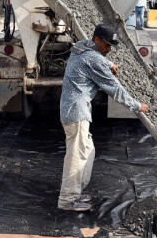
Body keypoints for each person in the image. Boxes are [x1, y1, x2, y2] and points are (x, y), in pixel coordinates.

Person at [58, 24, 150, 212]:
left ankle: (75, 192)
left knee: (88, 151)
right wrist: (137, 106)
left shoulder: (82, 47)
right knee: (76, 156)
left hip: (73, 109)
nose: (109, 50)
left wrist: (109, 64)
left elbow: (86, 50)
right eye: (106, 45)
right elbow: (115, 90)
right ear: (97, 40)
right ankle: (67, 200)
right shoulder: (94, 60)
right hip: (76, 112)